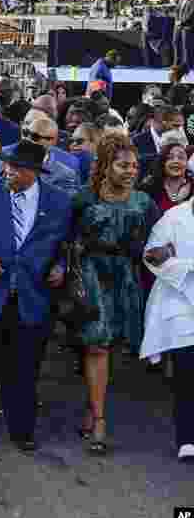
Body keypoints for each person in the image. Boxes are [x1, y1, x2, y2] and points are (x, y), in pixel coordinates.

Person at [0, 139, 73, 452]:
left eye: (17, 168)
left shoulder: (59, 201)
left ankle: (21, 428)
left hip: (32, 295)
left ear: (34, 171)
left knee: (25, 366)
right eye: (7, 165)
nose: (8, 171)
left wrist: (61, 266)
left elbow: (64, 244)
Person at [72, 132, 160, 454]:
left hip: (126, 277)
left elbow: (160, 238)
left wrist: (157, 253)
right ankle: (99, 421)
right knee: (97, 344)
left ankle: (91, 403)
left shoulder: (144, 202)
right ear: (106, 165)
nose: (131, 171)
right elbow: (65, 238)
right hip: (91, 275)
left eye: (135, 166)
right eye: (123, 165)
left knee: (112, 345)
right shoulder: (84, 198)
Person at [140, 201, 194, 462]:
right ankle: (187, 438)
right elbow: (151, 256)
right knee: (187, 371)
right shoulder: (173, 217)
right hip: (181, 301)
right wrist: (187, 268)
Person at [140, 140, 194, 213]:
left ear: (187, 163)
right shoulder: (149, 188)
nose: (176, 161)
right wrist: (177, 200)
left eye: (181, 157)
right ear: (163, 162)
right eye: (170, 157)